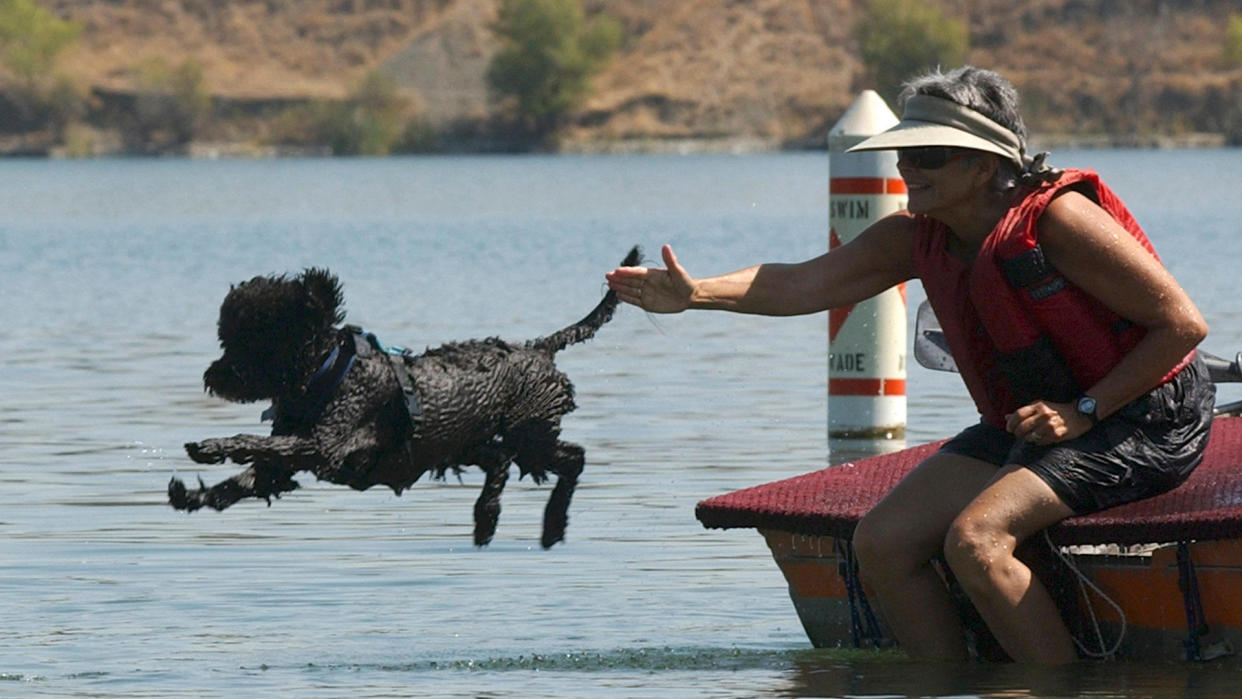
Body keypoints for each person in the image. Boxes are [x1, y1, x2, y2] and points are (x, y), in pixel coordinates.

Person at [605, 66, 1215, 664]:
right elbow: (801, 284)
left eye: (927, 155)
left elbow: (1183, 327)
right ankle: (945, 684)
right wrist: (696, 294)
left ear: (984, 163)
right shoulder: (914, 236)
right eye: (903, 153)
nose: (906, 168)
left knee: (976, 542)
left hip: (1142, 417)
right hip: (1033, 421)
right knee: (883, 542)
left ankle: (1054, 689)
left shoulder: (1060, 221)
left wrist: (1085, 410)